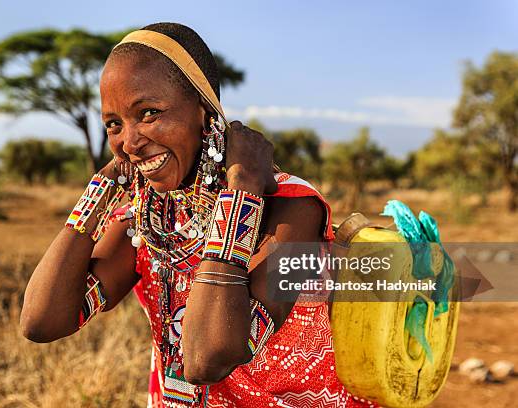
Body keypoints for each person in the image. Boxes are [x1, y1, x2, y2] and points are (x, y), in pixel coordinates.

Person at [20, 22, 376, 408]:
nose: (131, 141)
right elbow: (42, 321)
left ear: (205, 113)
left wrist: (241, 192)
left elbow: (210, 356)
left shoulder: (291, 208)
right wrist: (102, 185)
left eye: (149, 113)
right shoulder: (145, 219)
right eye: (114, 124)